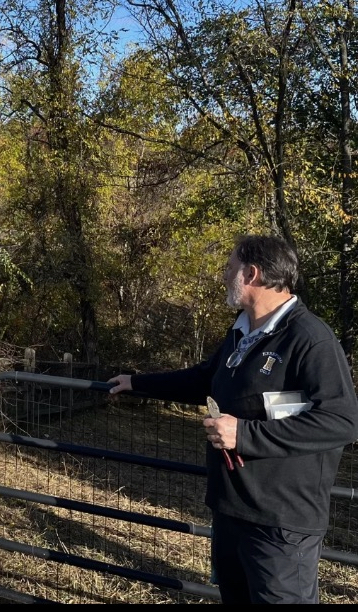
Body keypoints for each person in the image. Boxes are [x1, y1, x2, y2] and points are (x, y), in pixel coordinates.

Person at [108, 234, 358, 604]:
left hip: (281, 523)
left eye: (230, 268)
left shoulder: (309, 339)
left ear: (253, 274)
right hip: (232, 510)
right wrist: (137, 382)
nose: (224, 276)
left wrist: (244, 434)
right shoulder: (243, 331)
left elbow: (342, 421)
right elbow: (205, 379)